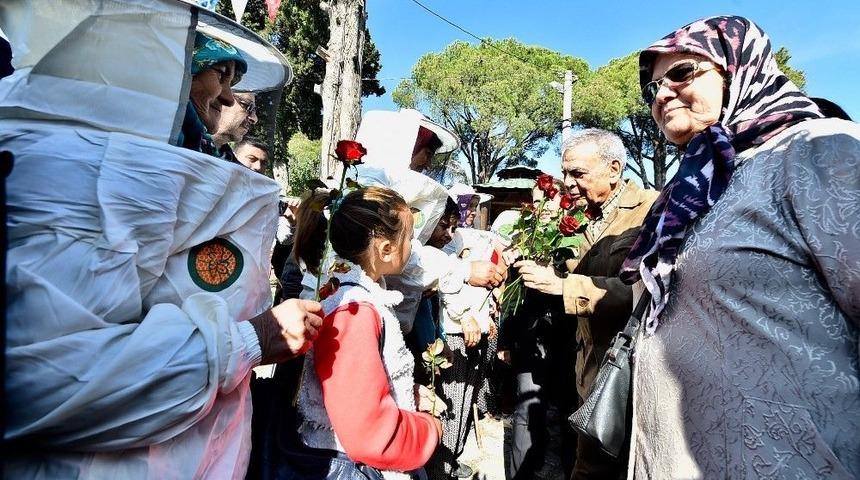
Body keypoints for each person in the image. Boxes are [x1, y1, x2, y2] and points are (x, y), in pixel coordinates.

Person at [4, 20, 320, 479]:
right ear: (161, 62)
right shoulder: (95, 178)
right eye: (219, 75)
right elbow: (43, 385)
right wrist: (249, 340)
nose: (230, 99)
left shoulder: (127, 171)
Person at [620, 16, 860, 478]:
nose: (663, 93)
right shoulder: (693, 186)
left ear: (738, 69)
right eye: (652, 88)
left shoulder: (819, 150)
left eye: (682, 73)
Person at [514, 128, 658, 478]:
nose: (567, 182)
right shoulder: (578, 218)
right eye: (564, 173)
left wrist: (563, 287)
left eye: (577, 173)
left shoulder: (651, 211)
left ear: (613, 169)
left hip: (629, 375)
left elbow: (648, 292)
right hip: (585, 369)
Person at [296, 187, 443, 479]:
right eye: (410, 238)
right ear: (386, 249)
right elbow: (370, 434)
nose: (411, 246)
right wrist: (430, 429)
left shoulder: (353, 295)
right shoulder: (354, 310)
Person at [499, 178, 580, 480]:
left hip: (568, 339)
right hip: (527, 339)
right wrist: (505, 341)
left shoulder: (576, 238)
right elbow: (511, 295)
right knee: (525, 410)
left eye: (547, 198)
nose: (542, 206)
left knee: (570, 410)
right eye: (536, 200)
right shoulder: (521, 239)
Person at [178, 32, 246, 156]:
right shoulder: (160, 135)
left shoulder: (204, 148)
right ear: (185, 73)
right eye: (220, 73)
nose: (229, 100)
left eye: (231, 84)